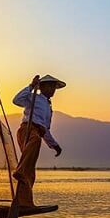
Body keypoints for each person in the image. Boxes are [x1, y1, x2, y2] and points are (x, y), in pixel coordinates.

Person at [12, 75, 65, 207]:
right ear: (42, 87)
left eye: (54, 87)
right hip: (27, 130)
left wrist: (55, 145)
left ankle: (24, 202)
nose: (52, 89)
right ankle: (20, 171)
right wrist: (30, 86)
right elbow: (17, 100)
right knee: (35, 141)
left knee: (30, 173)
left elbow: (44, 129)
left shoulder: (48, 107)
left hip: (37, 132)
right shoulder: (34, 97)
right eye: (50, 86)